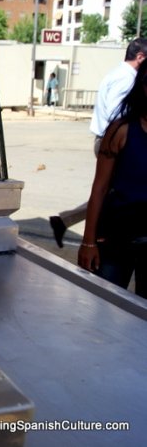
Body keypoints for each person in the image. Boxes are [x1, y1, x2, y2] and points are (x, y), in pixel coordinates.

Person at [49, 38, 147, 247]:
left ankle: (64, 221)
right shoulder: (127, 79)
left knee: (114, 190)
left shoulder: (117, 73)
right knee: (114, 192)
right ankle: (96, 235)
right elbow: (115, 113)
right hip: (117, 143)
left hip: (113, 140)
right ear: (140, 57)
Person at [78, 59, 147, 297]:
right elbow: (99, 189)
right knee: (102, 308)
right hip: (117, 238)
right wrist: (88, 242)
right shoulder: (121, 131)